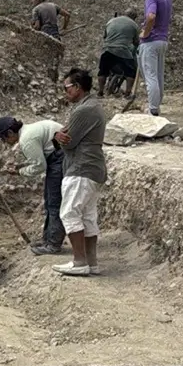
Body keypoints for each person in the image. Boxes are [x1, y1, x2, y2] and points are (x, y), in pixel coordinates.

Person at [52, 69, 106, 277]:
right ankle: (91, 262)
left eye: (66, 88)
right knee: (88, 215)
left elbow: (68, 142)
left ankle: (79, 261)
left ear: (77, 87)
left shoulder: (83, 111)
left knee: (70, 213)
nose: (65, 92)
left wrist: (59, 137)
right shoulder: (93, 107)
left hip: (81, 167)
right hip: (92, 168)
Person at [0, 116, 65, 255]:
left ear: (9, 133)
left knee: (54, 203)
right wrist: (21, 167)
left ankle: (53, 244)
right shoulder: (29, 131)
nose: (5, 142)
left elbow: (39, 166)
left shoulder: (26, 140)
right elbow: (40, 158)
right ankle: (48, 239)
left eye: (4, 138)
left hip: (60, 158)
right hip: (58, 155)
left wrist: (19, 172)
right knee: (49, 201)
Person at [131, 0, 173, 117]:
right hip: (162, 40)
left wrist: (146, 32)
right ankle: (157, 107)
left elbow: (150, 16)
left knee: (150, 77)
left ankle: (153, 110)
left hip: (150, 42)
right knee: (158, 77)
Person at [96, 9, 139, 97]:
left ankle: (100, 92)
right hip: (123, 50)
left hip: (107, 49)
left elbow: (105, 36)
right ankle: (128, 93)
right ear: (134, 17)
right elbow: (136, 42)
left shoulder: (111, 21)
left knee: (102, 71)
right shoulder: (134, 25)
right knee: (131, 71)